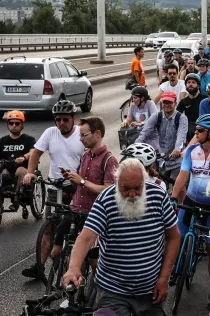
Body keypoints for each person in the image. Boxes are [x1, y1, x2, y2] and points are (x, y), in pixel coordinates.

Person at [63, 159, 180, 316]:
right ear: (117, 182)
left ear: (144, 182)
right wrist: (74, 268)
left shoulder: (158, 196)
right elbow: (86, 237)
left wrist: (164, 278)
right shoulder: (106, 199)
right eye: (125, 189)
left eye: (137, 188)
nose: (132, 194)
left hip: (150, 290)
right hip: (112, 291)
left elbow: (173, 237)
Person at [172, 114, 210, 305]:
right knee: (177, 236)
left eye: (199, 130)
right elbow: (182, 176)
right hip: (190, 200)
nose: (195, 133)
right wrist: (174, 198)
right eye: (196, 129)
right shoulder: (191, 150)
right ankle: (174, 269)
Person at [22, 100, 83, 280]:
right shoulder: (50, 132)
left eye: (65, 119)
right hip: (54, 186)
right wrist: (30, 173)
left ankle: (76, 263)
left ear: (73, 119)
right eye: (58, 119)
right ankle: (39, 266)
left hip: (75, 187)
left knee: (74, 227)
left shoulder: (81, 134)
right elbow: (36, 152)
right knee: (50, 226)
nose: (61, 123)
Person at [51, 117, 119, 265]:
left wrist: (82, 181)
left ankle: (96, 285)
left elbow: (110, 190)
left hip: (93, 215)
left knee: (93, 261)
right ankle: (55, 279)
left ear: (97, 134)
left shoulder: (109, 160)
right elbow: (80, 186)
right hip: (75, 210)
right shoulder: (85, 156)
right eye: (79, 136)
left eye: (83, 135)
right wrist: (73, 178)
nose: (80, 140)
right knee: (55, 250)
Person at [136, 92, 188, 181]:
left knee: (176, 186)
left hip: (177, 159)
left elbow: (181, 135)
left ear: (175, 103)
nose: (167, 105)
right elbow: (144, 132)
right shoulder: (156, 116)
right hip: (162, 159)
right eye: (165, 102)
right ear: (161, 103)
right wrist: (136, 146)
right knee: (159, 184)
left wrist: (177, 149)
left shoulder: (181, 118)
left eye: (170, 102)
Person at [0, 110, 35, 211]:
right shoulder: (2, 141)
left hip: (24, 169)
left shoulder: (29, 139)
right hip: (7, 170)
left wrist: (24, 157)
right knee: (3, 172)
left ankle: (16, 200)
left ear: (22, 124)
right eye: (11, 123)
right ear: (8, 125)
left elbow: (33, 152)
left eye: (17, 123)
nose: (14, 125)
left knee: (19, 170)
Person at [176, 73, 204, 143]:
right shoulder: (183, 102)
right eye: (188, 82)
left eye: (193, 82)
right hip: (188, 129)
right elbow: (176, 116)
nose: (190, 84)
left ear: (198, 86)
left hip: (203, 127)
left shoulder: (204, 99)